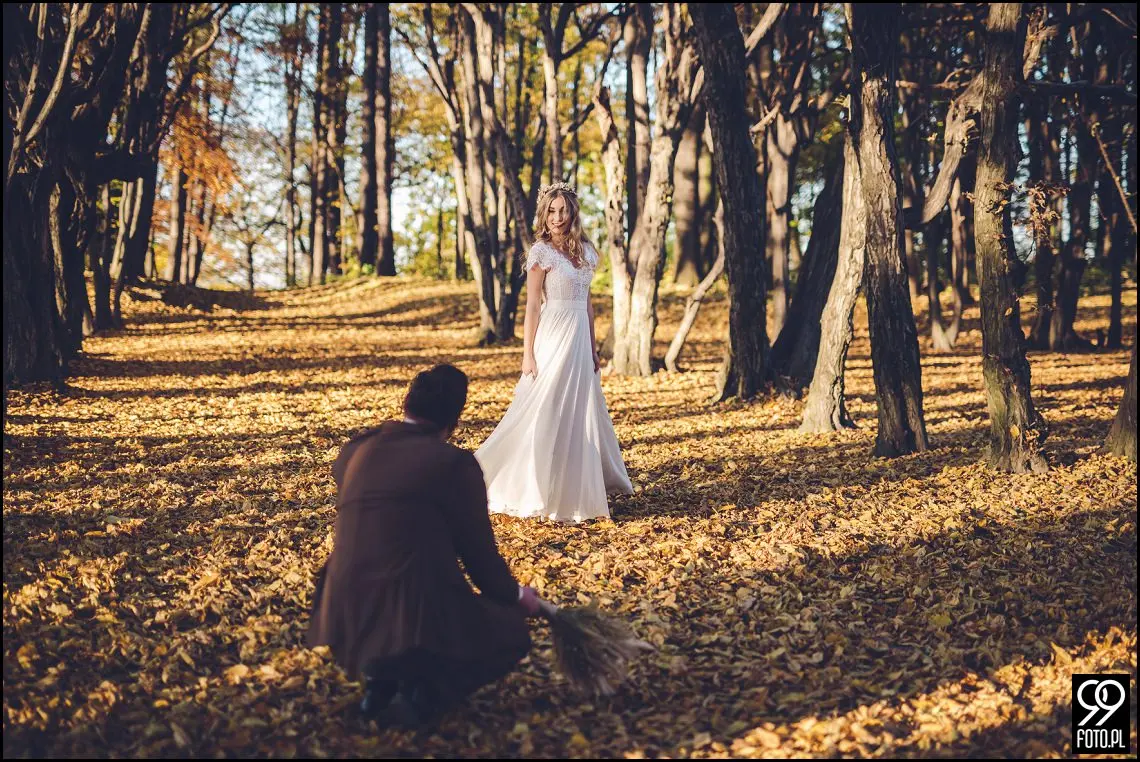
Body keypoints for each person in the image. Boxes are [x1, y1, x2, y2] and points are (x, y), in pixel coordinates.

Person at [308, 364, 544, 726]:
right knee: (509, 630)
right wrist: (516, 596)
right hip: (410, 607)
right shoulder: (453, 465)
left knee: (411, 587)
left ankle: (381, 681)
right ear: (455, 421)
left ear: (407, 404)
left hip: (341, 602)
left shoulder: (354, 450)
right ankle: (423, 696)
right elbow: (480, 557)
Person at [475, 182, 634, 523]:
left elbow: (587, 303)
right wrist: (527, 353)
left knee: (578, 411)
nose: (558, 217)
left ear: (572, 213)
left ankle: (573, 493)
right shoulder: (540, 253)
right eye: (552, 210)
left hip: (578, 339)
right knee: (544, 407)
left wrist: (592, 349)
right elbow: (532, 306)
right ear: (544, 214)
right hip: (551, 334)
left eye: (563, 210)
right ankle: (526, 486)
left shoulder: (587, 253)